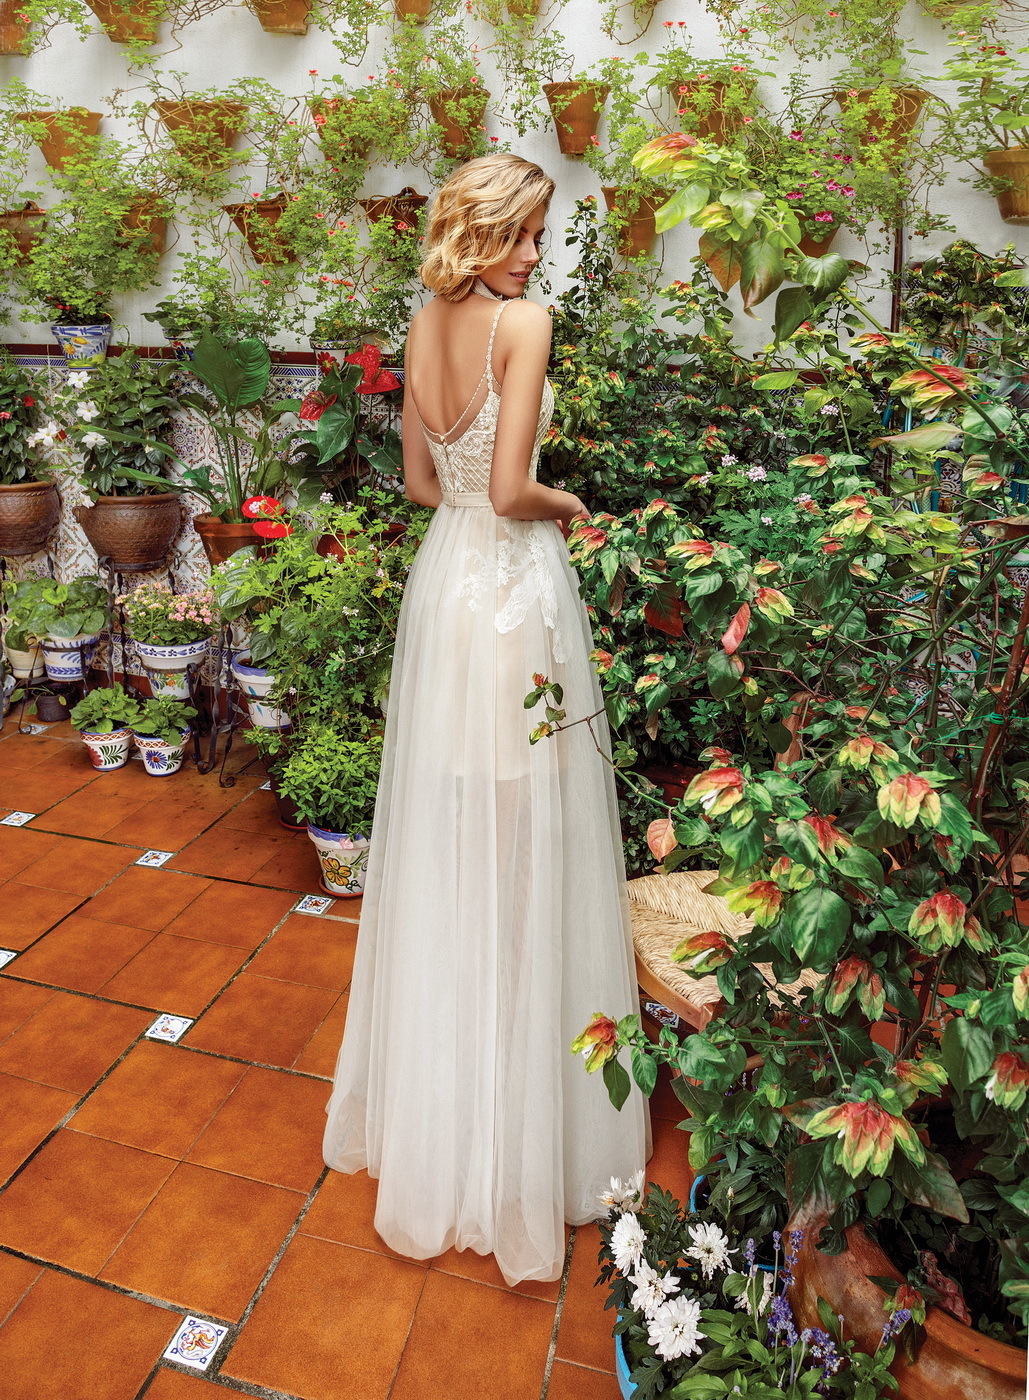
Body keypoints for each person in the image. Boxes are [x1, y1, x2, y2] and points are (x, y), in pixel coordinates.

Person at [322, 152, 649, 1286]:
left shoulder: (423, 323)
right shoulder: (526, 322)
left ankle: (450, 1102)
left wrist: (495, 498)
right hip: (510, 589)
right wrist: (574, 502)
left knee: (458, 836)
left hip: (444, 588)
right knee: (525, 845)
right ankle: (518, 1115)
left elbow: (428, 485)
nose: (533, 254)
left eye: (538, 235)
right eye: (522, 233)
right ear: (485, 229)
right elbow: (512, 492)